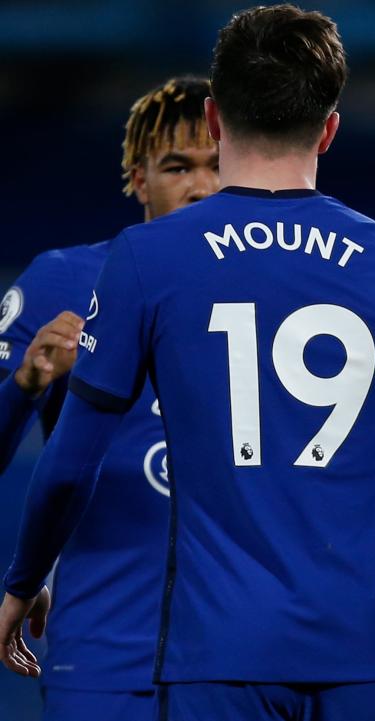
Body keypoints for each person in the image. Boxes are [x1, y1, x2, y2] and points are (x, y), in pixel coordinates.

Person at [0, 6, 375, 721]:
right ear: (329, 128)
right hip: (354, 651)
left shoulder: (148, 258)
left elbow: (72, 460)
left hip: (214, 647)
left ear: (217, 119)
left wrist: (19, 582)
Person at [0, 75, 218, 721]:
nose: (202, 186)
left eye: (218, 166)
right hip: (107, 636)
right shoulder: (65, 279)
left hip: (256, 641)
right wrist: (28, 380)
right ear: (137, 176)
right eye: (178, 166)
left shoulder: (294, 289)